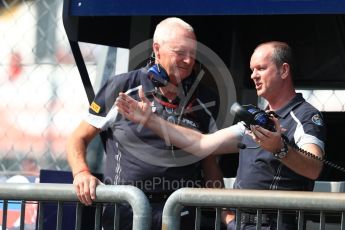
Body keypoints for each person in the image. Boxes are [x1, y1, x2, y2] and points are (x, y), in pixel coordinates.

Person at [116, 41, 326, 230]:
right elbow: (201, 143)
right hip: (240, 224)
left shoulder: (305, 115)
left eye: (261, 68)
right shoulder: (256, 118)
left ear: (284, 71)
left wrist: (280, 149)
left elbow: (314, 167)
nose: (253, 75)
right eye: (252, 70)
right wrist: (149, 120)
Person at [66, 17, 225, 230]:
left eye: (193, 53)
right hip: (125, 212)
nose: (188, 60)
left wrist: (223, 212)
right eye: (180, 53)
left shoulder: (205, 99)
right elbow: (78, 137)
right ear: (157, 50)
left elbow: (209, 161)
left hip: (181, 214)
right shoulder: (121, 86)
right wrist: (82, 173)